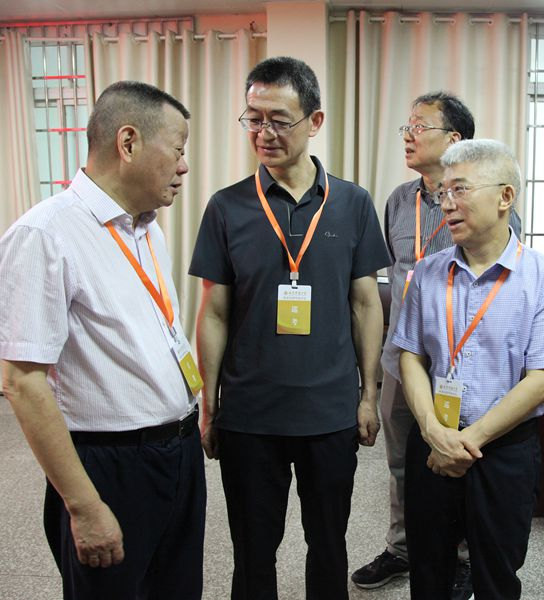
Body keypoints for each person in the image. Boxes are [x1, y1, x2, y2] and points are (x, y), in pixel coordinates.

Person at [0, 81, 205, 600]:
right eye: (177, 150)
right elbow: (23, 384)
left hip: (178, 451)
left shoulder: (147, 228)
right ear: (128, 143)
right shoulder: (44, 235)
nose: (183, 167)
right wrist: (84, 506)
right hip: (111, 465)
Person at [190, 56, 390, 600]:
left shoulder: (353, 203)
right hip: (250, 414)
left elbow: (365, 305)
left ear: (314, 121)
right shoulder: (226, 207)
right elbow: (214, 312)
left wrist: (368, 395)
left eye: (279, 120)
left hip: (329, 411)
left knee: (328, 544)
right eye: (253, 119)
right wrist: (209, 404)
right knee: (254, 551)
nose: (264, 133)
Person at [351, 92, 521, 599]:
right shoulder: (398, 201)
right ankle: (403, 547)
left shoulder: (487, 204)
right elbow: (394, 275)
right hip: (403, 355)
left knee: (463, 456)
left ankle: (461, 556)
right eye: (406, 126)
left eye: (419, 126)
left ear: (454, 139)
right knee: (403, 460)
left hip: (458, 359)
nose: (408, 135)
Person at [393, 139, 544, 599]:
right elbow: (411, 356)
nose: (447, 204)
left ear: (505, 197)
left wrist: (466, 442)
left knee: (497, 573)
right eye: (443, 192)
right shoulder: (428, 273)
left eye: (460, 189)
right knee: (428, 569)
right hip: (433, 441)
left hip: (503, 450)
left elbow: (541, 383)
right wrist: (434, 433)